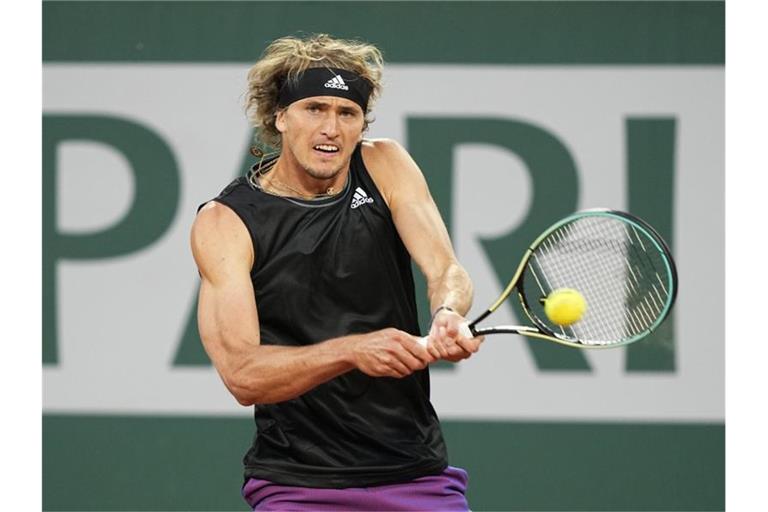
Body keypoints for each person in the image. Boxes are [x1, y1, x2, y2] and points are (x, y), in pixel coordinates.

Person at [190, 34, 484, 511]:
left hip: (415, 472)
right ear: (280, 117)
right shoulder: (226, 223)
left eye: (347, 113)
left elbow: (445, 268)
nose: (331, 128)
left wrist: (449, 311)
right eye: (315, 108)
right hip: (299, 486)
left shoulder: (384, 165)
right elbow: (242, 375)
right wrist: (352, 351)